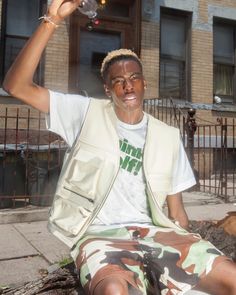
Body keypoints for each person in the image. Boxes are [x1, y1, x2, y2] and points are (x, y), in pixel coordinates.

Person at [3, 1, 236, 294]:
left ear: (144, 84)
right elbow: (17, 86)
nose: (127, 86)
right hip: (102, 236)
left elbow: (176, 212)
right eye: (118, 81)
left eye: (134, 78)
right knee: (114, 289)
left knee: (230, 277)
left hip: (157, 234)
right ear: (107, 89)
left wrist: (190, 241)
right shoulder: (84, 112)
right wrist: (51, 19)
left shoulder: (167, 135)